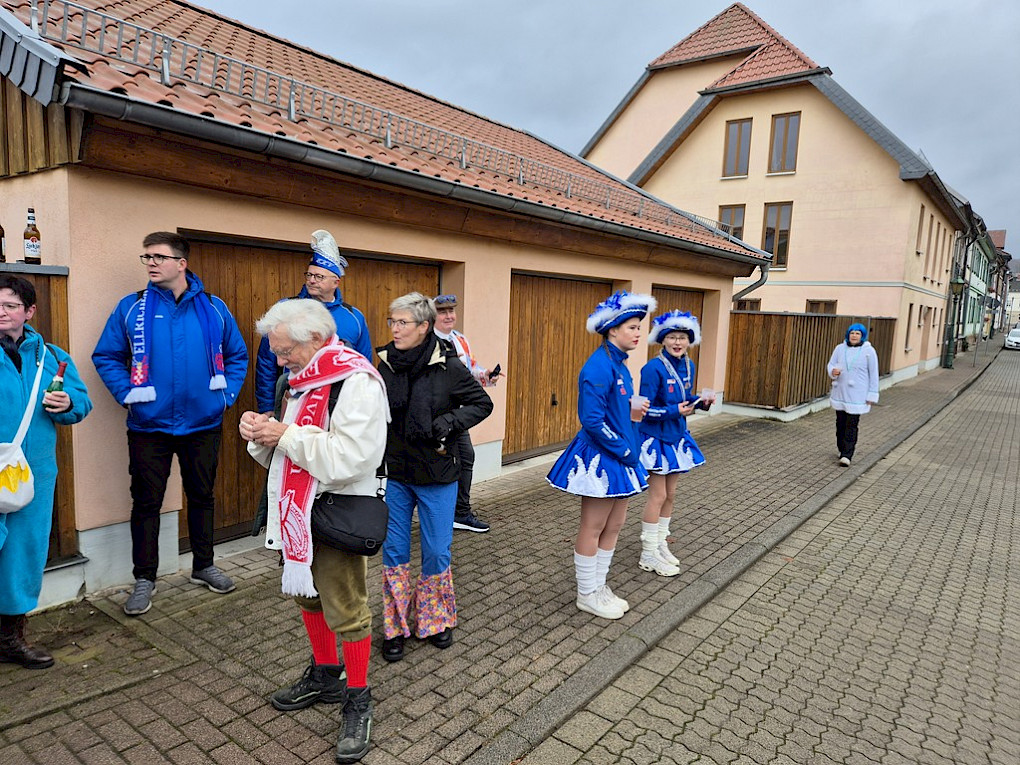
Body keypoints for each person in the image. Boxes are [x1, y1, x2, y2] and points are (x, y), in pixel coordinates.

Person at [240, 299, 387, 764]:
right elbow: (288, 449)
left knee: (347, 608)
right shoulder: (299, 380)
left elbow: (352, 458)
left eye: (285, 351)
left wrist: (283, 434)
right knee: (308, 597)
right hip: (297, 510)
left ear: (319, 339)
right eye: (276, 352)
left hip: (335, 511)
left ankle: (358, 698)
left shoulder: (356, 380)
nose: (279, 361)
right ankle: (326, 675)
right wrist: (260, 433)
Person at [92, 231, 248, 616]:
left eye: (158, 257)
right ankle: (145, 578)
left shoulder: (214, 308)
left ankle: (204, 565)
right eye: (146, 257)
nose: (150, 263)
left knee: (202, 496)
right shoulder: (131, 307)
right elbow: (107, 355)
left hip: (203, 423)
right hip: (150, 426)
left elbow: (237, 355)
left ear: (182, 263)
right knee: (146, 503)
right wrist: (128, 394)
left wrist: (224, 397)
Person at [376, 293, 493, 662]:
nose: (395, 329)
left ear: (423, 326)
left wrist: (449, 422)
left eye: (402, 323)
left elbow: (482, 403)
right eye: (392, 321)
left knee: (437, 550)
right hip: (397, 472)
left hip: (438, 472)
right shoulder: (385, 363)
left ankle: (435, 619)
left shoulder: (448, 365)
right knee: (394, 551)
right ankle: (395, 627)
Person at [0, 276, 92, 669]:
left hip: (31, 475)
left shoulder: (51, 356)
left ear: (29, 311)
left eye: (10, 305)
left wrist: (67, 402)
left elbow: (82, 402)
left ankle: (9, 638)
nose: (2, 313)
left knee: (23, 553)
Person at [546, 290, 656, 620]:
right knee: (593, 525)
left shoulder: (620, 364)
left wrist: (632, 412)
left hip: (621, 455)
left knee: (615, 524)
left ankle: (599, 585)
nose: (638, 333)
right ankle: (586, 593)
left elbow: (616, 409)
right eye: (632, 327)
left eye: (639, 328)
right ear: (612, 330)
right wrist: (625, 450)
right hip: (602, 457)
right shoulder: (598, 367)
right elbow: (592, 421)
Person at [254, 229, 372, 416]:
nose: (311, 281)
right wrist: (267, 407)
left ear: (336, 282)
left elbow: (363, 363)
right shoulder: (285, 309)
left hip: (338, 405)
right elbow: (267, 362)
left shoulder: (354, 317)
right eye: (309, 275)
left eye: (319, 277)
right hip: (292, 399)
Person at [637, 310, 715, 576]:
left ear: (689, 341)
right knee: (658, 495)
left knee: (670, 495)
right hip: (655, 439)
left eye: (682, 337)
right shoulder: (652, 368)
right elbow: (642, 410)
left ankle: (660, 543)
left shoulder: (688, 365)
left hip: (677, 437)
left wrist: (701, 402)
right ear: (662, 340)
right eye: (672, 337)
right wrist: (674, 411)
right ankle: (648, 553)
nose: (677, 342)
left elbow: (684, 397)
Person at [432, 293, 501, 533]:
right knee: (438, 463)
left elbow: (470, 370)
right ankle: (443, 514)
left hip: (458, 414)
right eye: (442, 312)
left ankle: (459, 513)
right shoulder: (426, 341)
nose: (448, 316)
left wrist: (486, 375)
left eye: (451, 311)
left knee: (465, 457)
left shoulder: (460, 339)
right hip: (435, 415)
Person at [827, 322, 879, 467]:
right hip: (841, 392)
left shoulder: (869, 351)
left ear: (862, 336)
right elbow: (831, 364)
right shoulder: (839, 348)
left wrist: (872, 394)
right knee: (840, 424)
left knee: (852, 424)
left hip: (857, 395)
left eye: (857, 333)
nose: (854, 336)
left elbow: (873, 373)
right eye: (852, 333)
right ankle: (841, 448)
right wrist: (833, 371)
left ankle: (847, 454)